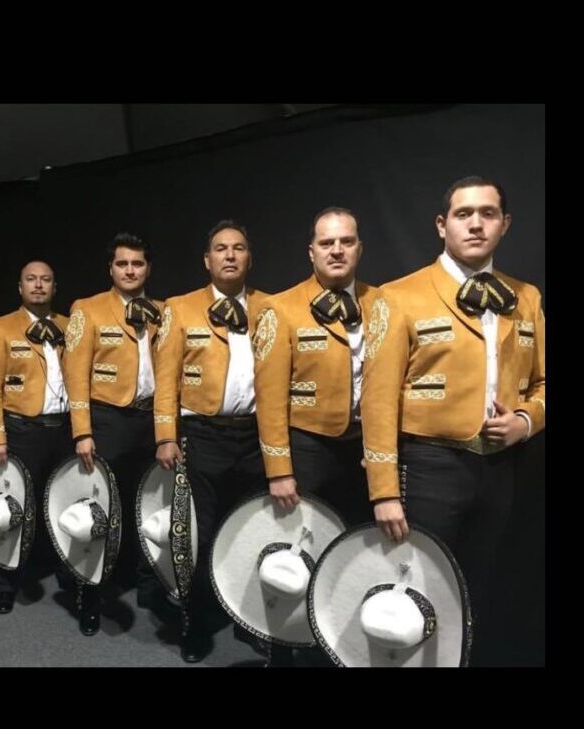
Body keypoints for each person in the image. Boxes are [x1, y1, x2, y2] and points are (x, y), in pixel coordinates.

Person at [361, 176, 545, 665]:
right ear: (442, 225)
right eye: (464, 214)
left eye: (488, 213)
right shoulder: (396, 296)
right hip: (427, 467)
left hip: (501, 469)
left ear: (504, 225)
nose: (476, 223)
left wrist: (527, 421)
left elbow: (545, 384)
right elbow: (377, 402)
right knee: (417, 587)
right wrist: (383, 490)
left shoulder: (526, 297)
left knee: (477, 585)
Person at [252, 207, 381, 665]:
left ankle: (334, 643)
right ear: (311, 252)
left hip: (363, 451)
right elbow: (268, 402)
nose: (337, 250)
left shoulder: (383, 303)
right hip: (305, 449)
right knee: (295, 557)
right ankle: (283, 651)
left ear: (360, 248)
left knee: (352, 552)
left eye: (346, 241)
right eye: (327, 243)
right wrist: (279, 470)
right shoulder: (279, 308)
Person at [153, 220, 270, 662]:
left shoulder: (270, 307)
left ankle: (247, 620)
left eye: (238, 248)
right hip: (202, 433)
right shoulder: (179, 308)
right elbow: (165, 382)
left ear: (249, 258)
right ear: (207, 259)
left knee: (248, 533)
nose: (229, 255)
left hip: (255, 437)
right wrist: (166, 436)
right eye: (220, 248)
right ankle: (195, 621)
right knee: (196, 536)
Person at [62, 233, 164, 635]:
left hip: (150, 420)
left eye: (137, 264)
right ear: (111, 269)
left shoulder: (163, 311)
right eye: (122, 264)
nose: (130, 270)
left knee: (146, 505)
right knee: (98, 508)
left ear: (147, 268)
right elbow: (75, 376)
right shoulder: (86, 310)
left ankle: (147, 589)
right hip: (107, 419)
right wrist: (82, 431)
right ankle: (91, 594)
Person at [0, 260, 71, 614]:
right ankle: (7, 578)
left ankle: (65, 568)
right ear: (20, 288)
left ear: (54, 287)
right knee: (14, 505)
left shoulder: (69, 326)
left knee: (61, 503)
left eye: (45, 279)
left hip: (63, 430)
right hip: (20, 431)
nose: (38, 285)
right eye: (30, 280)